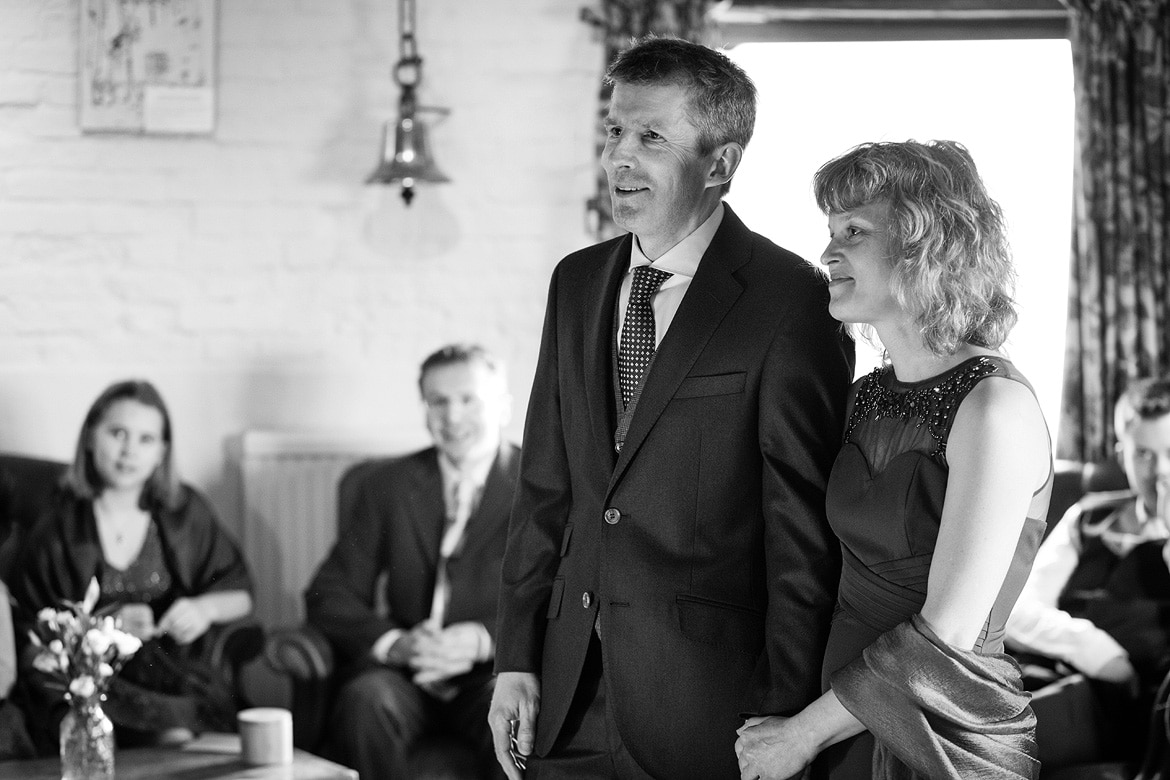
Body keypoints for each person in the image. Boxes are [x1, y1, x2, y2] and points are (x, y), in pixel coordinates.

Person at [488, 36, 854, 780]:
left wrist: (784, 720)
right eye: (614, 132)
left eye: (651, 136)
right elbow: (546, 491)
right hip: (563, 701)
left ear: (719, 164)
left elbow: (800, 534)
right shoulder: (577, 282)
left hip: (710, 713)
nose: (619, 157)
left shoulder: (791, 303)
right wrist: (515, 658)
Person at [735, 140, 1054, 780]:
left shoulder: (996, 406)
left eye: (854, 231)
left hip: (937, 740)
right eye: (830, 230)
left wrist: (801, 734)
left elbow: (950, 633)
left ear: (925, 246)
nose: (827, 253)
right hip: (840, 727)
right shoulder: (865, 396)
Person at [306, 344, 519, 780]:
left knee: (514, 706)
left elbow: (567, 593)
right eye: (438, 401)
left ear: (502, 406)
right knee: (365, 699)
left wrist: (484, 639)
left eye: (468, 399)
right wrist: (395, 642)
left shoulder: (542, 483)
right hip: (406, 674)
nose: (452, 416)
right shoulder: (386, 485)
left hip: (493, 672)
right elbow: (330, 593)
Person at [12, 379, 253, 751]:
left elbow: (241, 594)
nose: (129, 452)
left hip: (170, 675)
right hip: (89, 682)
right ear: (91, 438)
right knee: (159, 737)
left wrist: (204, 609)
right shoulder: (59, 525)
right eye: (117, 433)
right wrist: (103, 630)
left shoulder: (185, 511)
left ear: (162, 452)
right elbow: (30, 633)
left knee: (187, 735)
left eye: (146, 439)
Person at [1006, 375, 1170, 765]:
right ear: (1122, 454)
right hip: (1056, 669)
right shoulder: (1089, 516)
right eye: (1144, 454)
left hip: (1134, 703)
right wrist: (1097, 651)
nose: (1160, 471)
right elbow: (1019, 610)